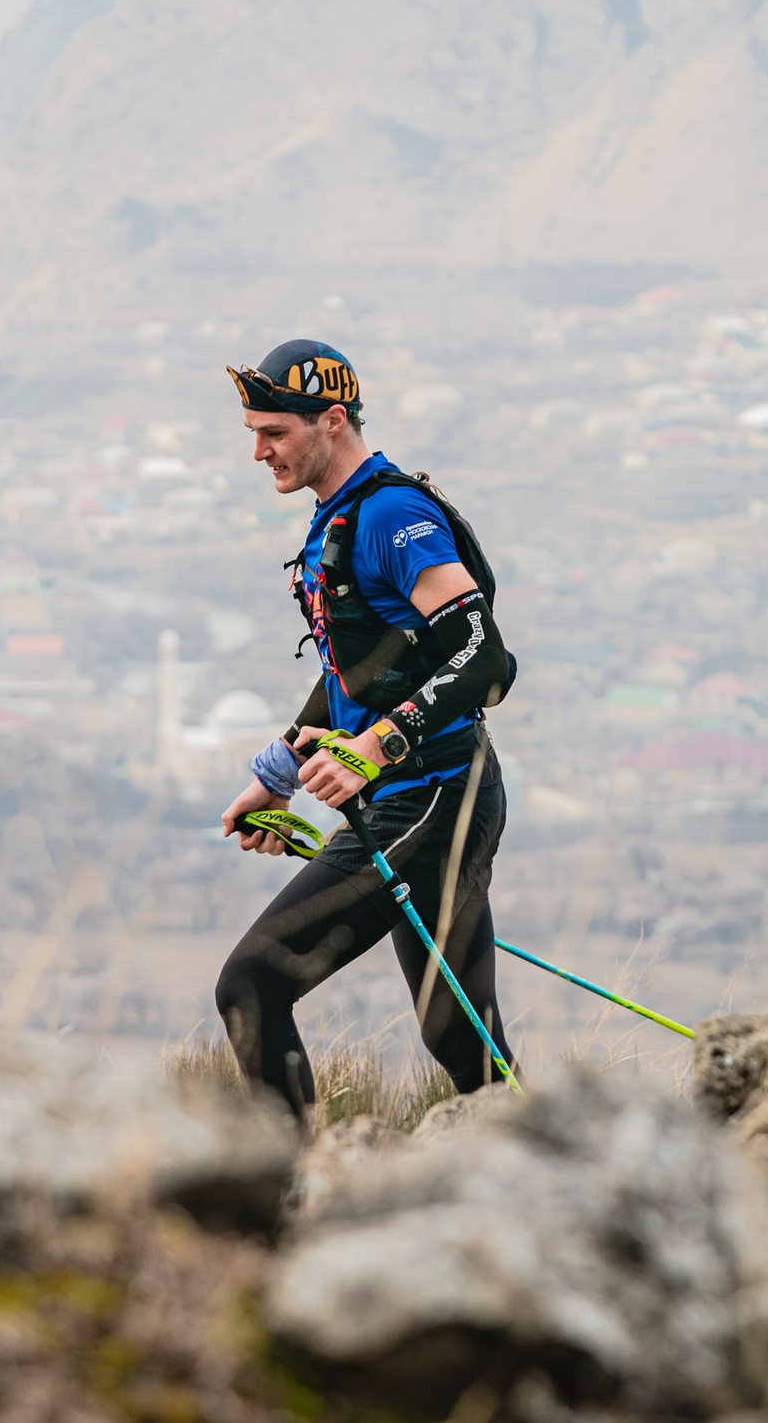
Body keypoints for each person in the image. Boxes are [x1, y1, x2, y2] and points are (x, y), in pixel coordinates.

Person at [213, 339, 518, 1120]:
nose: (258, 451)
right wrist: (280, 770)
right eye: (253, 432)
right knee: (462, 1039)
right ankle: (570, 1192)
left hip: (435, 798)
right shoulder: (337, 517)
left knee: (252, 982)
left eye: (273, 431)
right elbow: (361, 668)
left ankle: (277, 1205)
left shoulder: (391, 515)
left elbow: (484, 655)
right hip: (413, 797)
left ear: (333, 420)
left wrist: (378, 745)